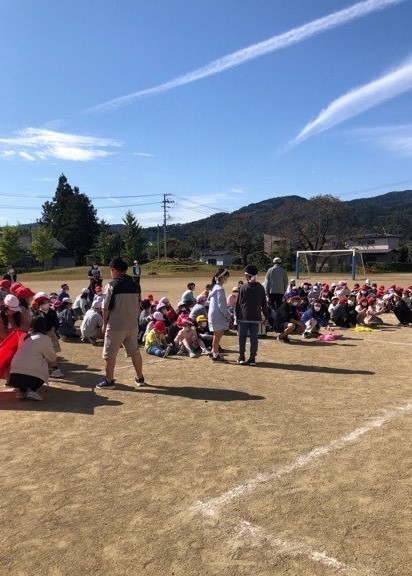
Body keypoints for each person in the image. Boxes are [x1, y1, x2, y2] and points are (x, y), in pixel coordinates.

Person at [97, 257, 144, 389]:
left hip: (116, 326)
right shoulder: (135, 284)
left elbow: (105, 308)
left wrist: (104, 324)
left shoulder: (111, 285)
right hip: (132, 324)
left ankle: (109, 380)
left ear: (114, 270)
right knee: (135, 352)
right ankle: (140, 377)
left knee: (109, 354)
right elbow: (138, 305)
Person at [9, 316, 58, 401]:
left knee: (26, 365)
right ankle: (33, 390)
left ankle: (21, 391)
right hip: (32, 370)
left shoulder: (24, 335)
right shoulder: (44, 338)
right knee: (43, 366)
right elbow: (51, 357)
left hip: (14, 371)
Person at [235, 265, 269, 366]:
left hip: (244, 316)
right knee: (254, 339)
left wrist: (236, 317)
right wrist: (266, 316)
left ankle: (241, 357)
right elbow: (264, 304)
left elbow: (238, 304)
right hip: (256, 317)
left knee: (242, 338)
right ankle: (252, 358)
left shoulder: (242, 287)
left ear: (247, 275)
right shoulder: (260, 287)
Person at [207, 268, 232, 362]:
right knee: (218, 334)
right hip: (218, 314)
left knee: (216, 334)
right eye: (226, 277)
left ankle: (213, 352)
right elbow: (222, 305)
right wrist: (228, 315)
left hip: (213, 314)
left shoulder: (214, 287)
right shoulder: (220, 289)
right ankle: (215, 355)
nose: (227, 279)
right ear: (222, 277)